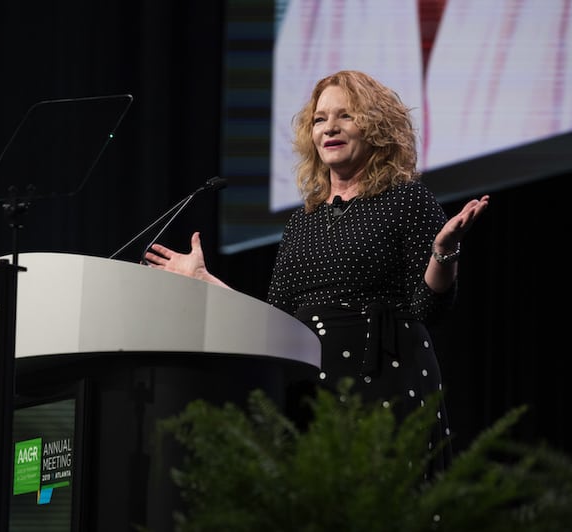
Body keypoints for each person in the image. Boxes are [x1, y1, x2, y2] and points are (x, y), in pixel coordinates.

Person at [144, 70, 489, 473]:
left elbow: (430, 310)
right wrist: (207, 283)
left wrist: (444, 253)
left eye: (346, 115)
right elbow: (276, 322)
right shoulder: (302, 222)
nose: (330, 128)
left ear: (376, 126)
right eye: (320, 119)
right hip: (310, 387)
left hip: (383, 377)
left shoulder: (407, 200)